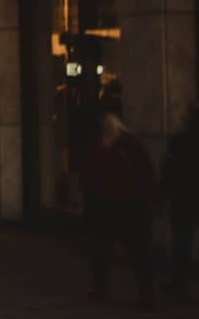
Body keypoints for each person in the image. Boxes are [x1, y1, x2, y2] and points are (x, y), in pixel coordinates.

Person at [80, 109, 159, 307]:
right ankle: (139, 293)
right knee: (122, 251)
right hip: (118, 206)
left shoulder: (123, 147)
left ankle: (140, 294)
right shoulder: (124, 147)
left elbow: (92, 179)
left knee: (129, 251)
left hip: (121, 206)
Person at [161, 105, 198, 301]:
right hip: (186, 196)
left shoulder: (180, 142)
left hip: (183, 197)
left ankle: (179, 282)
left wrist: (163, 194)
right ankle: (179, 281)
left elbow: (170, 171)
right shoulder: (180, 142)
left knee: (181, 241)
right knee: (182, 240)